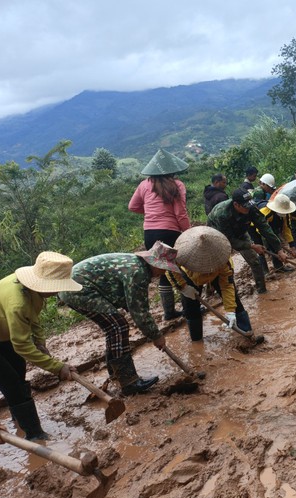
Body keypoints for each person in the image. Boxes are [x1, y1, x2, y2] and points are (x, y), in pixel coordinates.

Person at [58, 243, 181, 395]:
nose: (164, 272)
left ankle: (116, 374)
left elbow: (131, 303)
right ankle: (129, 382)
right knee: (118, 326)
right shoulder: (138, 272)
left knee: (114, 327)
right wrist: (156, 336)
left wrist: (152, 332)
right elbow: (139, 312)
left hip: (73, 286)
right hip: (78, 289)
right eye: (164, 268)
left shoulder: (138, 266)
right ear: (155, 263)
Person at [0, 252, 82, 441]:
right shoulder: (17, 302)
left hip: (0, 331)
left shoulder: (32, 290)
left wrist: (40, 342)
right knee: (11, 382)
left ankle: (19, 419)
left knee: (18, 373)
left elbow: (33, 318)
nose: (58, 291)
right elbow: (22, 346)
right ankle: (35, 434)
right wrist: (57, 367)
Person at [129, 148, 191, 321]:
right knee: (181, 269)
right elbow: (180, 213)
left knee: (163, 270)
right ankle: (189, 309)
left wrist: (151, 213)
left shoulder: (144, 185)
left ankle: (169, 312)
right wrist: (188, 233)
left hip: (149, 233)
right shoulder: (177, 185)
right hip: (170, 232)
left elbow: (132, 207)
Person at [167, 227, 259, 341]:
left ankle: (247, 334)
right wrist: (184, 287)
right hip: (191, 277)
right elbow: (168, 268)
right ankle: (197, 341)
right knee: (191, 308)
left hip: (216, 274)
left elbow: (227, 286)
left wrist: (230, 311)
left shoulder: (224, 260)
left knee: (235, 302)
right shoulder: (181, 253)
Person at [207, 188, 288, 294]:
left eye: (249, 205)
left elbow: (264, 227)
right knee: (220, 265)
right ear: (236, 204)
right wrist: (252, 246)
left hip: (240, 231)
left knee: (255, 261)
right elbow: (229, 240)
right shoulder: (222, 214)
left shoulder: (250, 207)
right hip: (217, 234)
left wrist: (279, 249)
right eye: (245, 207)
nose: (248, 209)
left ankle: (262, 291)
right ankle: (214, 288)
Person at [251, 193, 296, 274]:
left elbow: (287, 229)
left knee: (275, 244)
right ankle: (264, 272)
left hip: (270, 226)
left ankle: (279, 267)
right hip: (254, 227)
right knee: (260, 248)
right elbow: (262, 231)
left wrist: (292, 247)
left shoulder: (286, 214)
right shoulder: (265, 212)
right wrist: (276, 247)